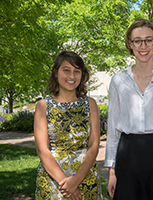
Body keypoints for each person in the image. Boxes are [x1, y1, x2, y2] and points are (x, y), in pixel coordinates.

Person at [104, 18, 153, 200]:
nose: (143, 46)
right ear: (130, 45)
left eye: (148, 39)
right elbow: (113, 129)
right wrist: (111, 171)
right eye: (137, 41)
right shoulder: (118, 81)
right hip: (126, 157)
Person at [34, 51, 102, 200]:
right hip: (53, 182)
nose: (72, 76)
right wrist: (66, 184)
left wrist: (76, 180)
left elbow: (94, 145)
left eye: (77, 71)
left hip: (86, 179)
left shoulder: (90, 104)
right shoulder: (43, 105)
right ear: (55, 72)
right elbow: (42, 150)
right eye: (66, 70)